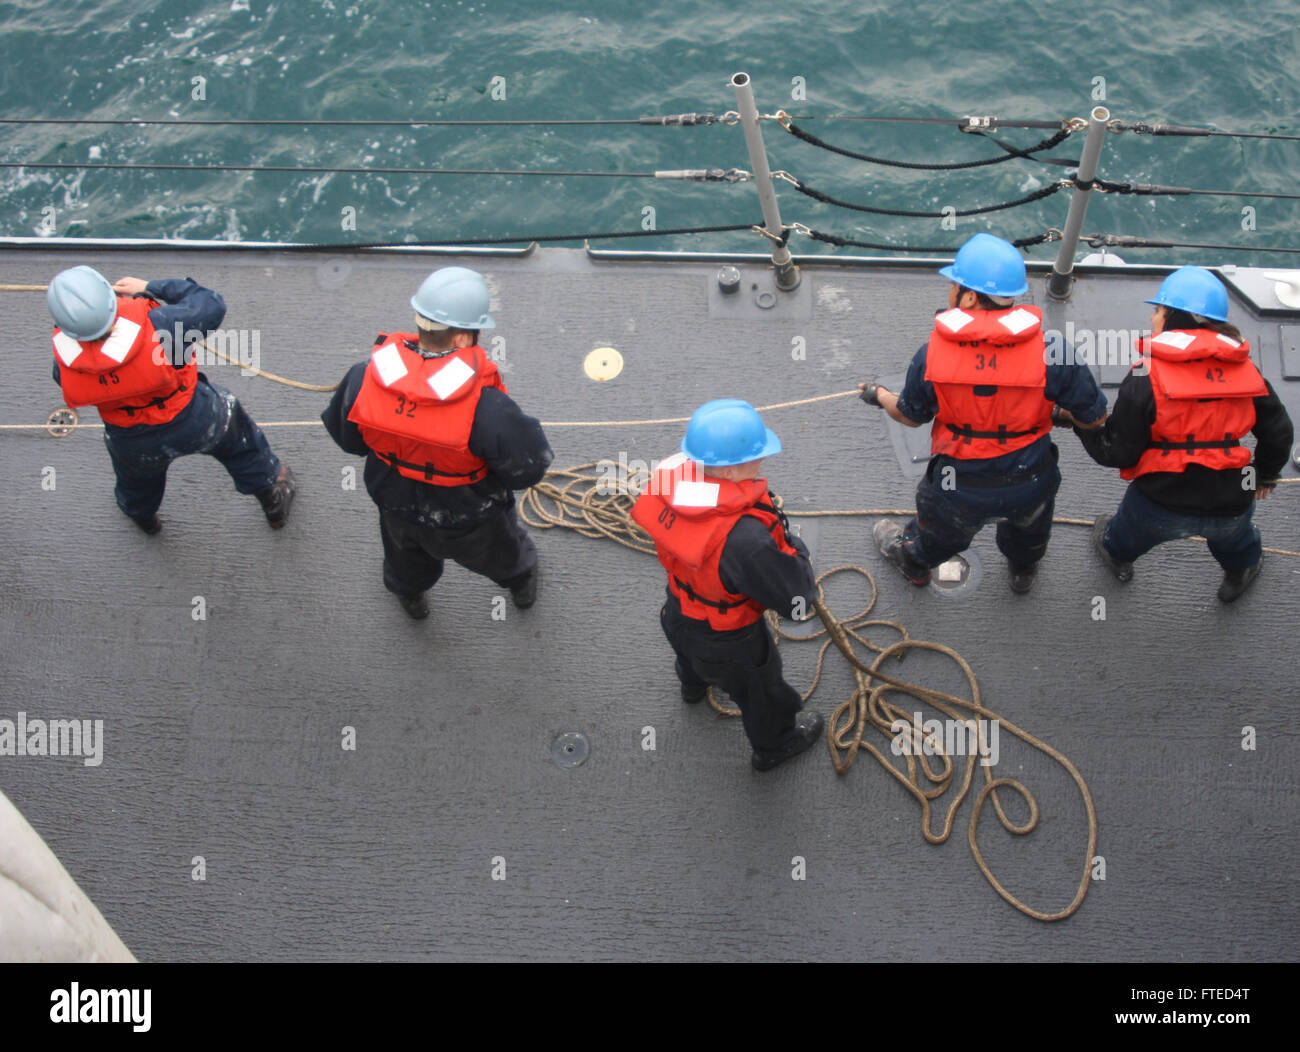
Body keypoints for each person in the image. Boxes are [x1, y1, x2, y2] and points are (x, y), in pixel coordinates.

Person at [859, 232, 1107, 593]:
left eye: (954, 285)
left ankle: (915, 564)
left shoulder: (931, 355)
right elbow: (1094, 419)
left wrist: (878, 394)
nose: (949, 292)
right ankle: (1022, 572)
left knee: (939, 535)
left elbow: (910, 415)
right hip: (1032, 478)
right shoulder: (1054, 350)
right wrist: (1053, 413)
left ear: (970, 297)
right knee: (1029, 530)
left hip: (958, 486)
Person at [321, 266, 551, 619]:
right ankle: (519, 584)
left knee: (405, 561)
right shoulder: (488, 409)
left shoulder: (361, 377)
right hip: (468, 514)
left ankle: (410, 598)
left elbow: (348, 440)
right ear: (461, 338)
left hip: (394, 502)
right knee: (502, 555)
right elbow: (528, 468)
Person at [1070, 265, 1293, 602]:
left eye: (1158, 310)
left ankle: (1118, 558)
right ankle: (1241, 570)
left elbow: (1117, 452)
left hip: (1160, 501)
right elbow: (1278, 432)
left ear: (1177, 317)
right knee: (1238, 542)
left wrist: (1082, 425)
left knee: (1124, 537)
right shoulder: (1249, 372)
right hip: (1232, 500)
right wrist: (1264, 475)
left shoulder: (1146, 375)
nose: (1153, 319)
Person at [631, 399, 823, 771]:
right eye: (757, 455)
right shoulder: (745, 541)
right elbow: (797, 600)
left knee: (689, 656)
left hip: (678, 610)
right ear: (732, 471)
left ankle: (692, 687)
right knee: (762, 693)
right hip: (729, 641)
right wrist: (796, 552)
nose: (763, 461)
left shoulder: (669, 486)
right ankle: (775, 745)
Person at [47, 266, 294, 534]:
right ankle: (272, 499)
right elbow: (210, 303)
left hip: (131, 439)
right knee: (241, 445)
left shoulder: (65, 364)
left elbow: (67, 378)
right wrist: (150, 286)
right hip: (195, 416)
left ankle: (143, 517)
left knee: (136, 481)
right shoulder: (162, 324)